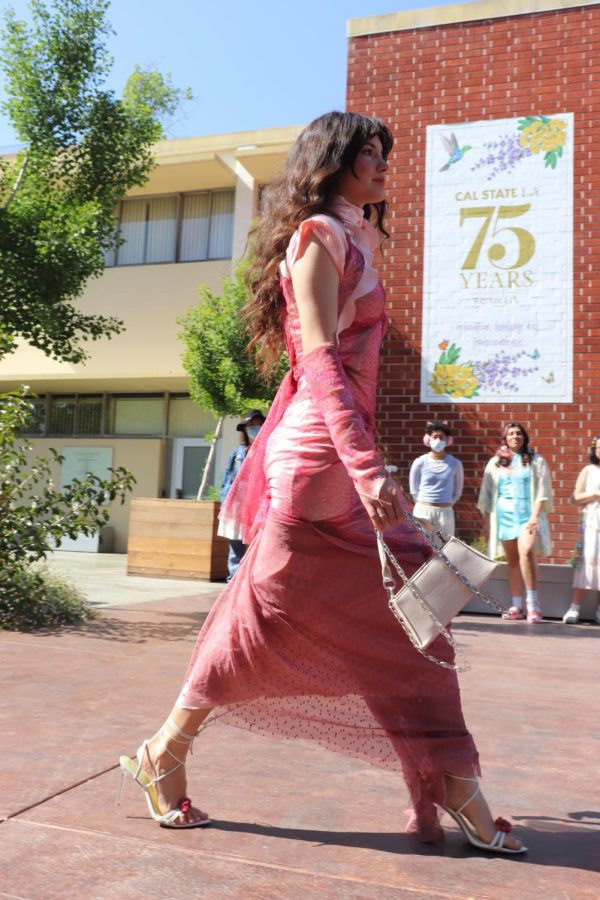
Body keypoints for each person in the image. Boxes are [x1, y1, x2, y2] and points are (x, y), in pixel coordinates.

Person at [118, 112, 525, 854]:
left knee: (404, 626)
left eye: (382, 154)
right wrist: (367, 468)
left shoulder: (355, 235)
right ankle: (164, 754)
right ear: (331, 163)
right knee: (294, 625)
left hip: (343, 455)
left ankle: (451, 782)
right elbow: (319, 365)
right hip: (319, 464)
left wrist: (367, 458)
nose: (379, 165)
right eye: (366, 154)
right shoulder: (319, 238)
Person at [477, 422, 553, 624]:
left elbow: (543, 492)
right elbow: (487, 493)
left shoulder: (536, 461)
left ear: (524, 437)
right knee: (512, 560)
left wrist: (535, 516)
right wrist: (486, 522)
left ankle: (533, 603)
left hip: (527, 516)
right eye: (511, 433)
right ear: (505, 438)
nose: (515, 436)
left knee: (527, 552)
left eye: (519, 433)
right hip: (504, 516)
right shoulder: (496, 462)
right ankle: (517, 605)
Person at [219, 409, 265, 581]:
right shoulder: (236, 455)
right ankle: (233, 583)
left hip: (259, 508)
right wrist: (225, 506)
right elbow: (228, 482)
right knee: (236, 549)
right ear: (244, 429)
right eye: (251, 425)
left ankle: (253, 585)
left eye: (258, 424)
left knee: (259, 547)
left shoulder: (269, 450)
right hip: (238, 507)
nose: (255, 428)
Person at [563, 435, 600, 625]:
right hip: (593, 522)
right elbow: (574, 497)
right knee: (586, 564)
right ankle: (574, 607)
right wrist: (594, 494)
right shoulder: (589, 470)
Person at [409, 421, 463, 536]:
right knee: (422, 548)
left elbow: (457, 492)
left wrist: (447, 504)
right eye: (434, 437)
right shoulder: (419, 462)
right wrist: (423, 504)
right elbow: (414, 490)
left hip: (445, 513)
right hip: (423, 511)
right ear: (428, 439)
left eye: (441, 437)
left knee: (445, 548)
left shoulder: (455, 463)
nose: (438, 440)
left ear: (448, 440)